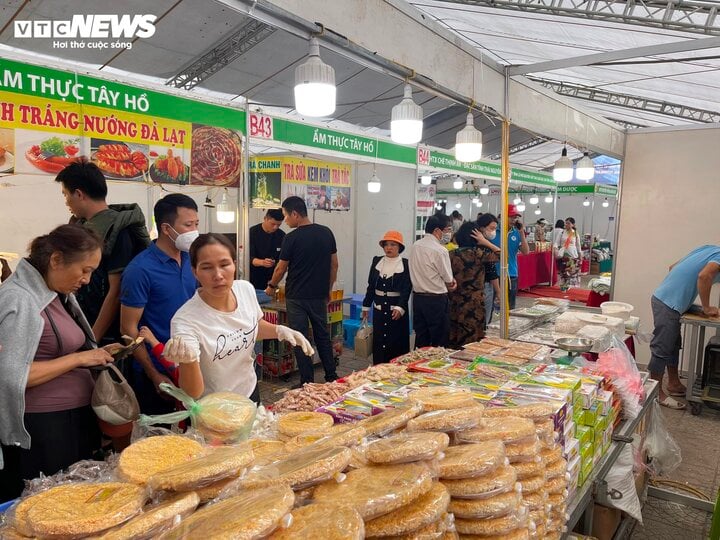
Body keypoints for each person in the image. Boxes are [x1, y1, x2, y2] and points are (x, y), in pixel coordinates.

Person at [0, 225, 119, 500]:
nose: (87, 280)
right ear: (55, 260)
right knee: (51, 504)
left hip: (71, 420)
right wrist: (79, 357)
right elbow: (13, 374)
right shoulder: (19, 298)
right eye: (85, 270)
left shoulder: (57, 294)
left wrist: (94, 354)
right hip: (45, 428)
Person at [164, 234, 313, 403]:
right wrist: (188, 361)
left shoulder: (244, 290)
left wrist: (279, 330)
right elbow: (193, 392)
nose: (218, 275)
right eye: (206, 267)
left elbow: (251, 327)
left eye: (224, 264)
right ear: (195, 272)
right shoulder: (186, 321)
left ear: (234, 265)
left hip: (249, 392)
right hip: (213, 408)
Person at [120, 194, 199, 415]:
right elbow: (128, 329)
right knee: (160, 435)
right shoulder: (140, 270)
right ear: (166, 228)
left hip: (189, 363)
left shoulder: (191, 260)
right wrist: (153, 373)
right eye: (188, 225)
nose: (194, 231)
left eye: (196, 224)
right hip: (156, 369)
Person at [55, 162, 150, 345]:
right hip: (82, 324)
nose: (66, 201)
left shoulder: (119, 231)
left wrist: (93, 339)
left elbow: (116, 291)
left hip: (106, 336)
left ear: (79, 194)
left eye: (66, 194)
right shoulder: (81, 226)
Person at [264, 196, 339, 385]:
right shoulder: (326, 232)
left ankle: (307, 381)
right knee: (322, 335)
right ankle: (331, 376)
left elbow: (280, 269)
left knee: (300, 338)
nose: (285, 221)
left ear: (295, 214)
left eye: (286, 216)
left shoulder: (291, 238)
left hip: (296, 296)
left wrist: (271, 287)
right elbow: (334, 265)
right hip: (318, 296)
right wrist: (328, 289)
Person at [650, 246, 720, 409]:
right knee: (661, 349)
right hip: (667, 303)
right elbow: (704, 276)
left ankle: (673, 383)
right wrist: (706, 307)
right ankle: (656, 394)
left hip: (668, 300)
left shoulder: (709, 249)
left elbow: (672, 267)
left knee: (673, 344)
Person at [361, 231, 412, 364]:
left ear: (399, 247)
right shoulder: (377, 261)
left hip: (396, 311)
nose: (389, 248)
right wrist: (366, 305)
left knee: (396, 342)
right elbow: (371, 286)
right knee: (379, 341)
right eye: (386, 244)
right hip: (378, 310)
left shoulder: (405, 264)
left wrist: (401, 306)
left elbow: (407, 288)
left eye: (393, 244)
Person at [409, 213, 457, 348]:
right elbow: (449, 280)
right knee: (439, 340)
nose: (449, 233)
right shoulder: (440, 250)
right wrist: (452, 284)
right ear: (437, 231)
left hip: (418, 299)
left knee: (421, 337)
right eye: (447, 230)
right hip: (436, 300)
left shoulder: (415, 245)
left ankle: (417, 366)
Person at [449, 222, 498, 348]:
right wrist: (485, 242)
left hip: (455, 301)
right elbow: (502, 255)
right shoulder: (479, 254)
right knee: (473, 339)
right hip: (474, 303)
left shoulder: (451, 254)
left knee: (456, 335)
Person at [249, 208, 285, 300]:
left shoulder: (282, 236)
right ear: (265, 219)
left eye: (278, 225)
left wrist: (274, 281)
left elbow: (283, 260)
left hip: (272, 280)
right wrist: (261, 262)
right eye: (273, 224)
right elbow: (246, 257)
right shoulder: (251, 233)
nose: (275, 227)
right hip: (253, 278)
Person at [472, 213, 501, 325]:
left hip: (471, 288)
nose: (493, 232)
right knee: (483, 321)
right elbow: (500, 256)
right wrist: (498, 291)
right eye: (491, 228)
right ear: (482, 228)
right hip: (483, 287)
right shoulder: (483, 248)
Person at [554, 217, 583, 291]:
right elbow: (556, 243)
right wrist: (556, 250)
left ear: (573, 225)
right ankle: (563, 287)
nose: (566, 225)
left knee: (571, 272)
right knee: (563, 272)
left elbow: (578, 245)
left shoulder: (575, 233)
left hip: (573, 255)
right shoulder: (562, 232)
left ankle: (572, 288)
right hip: (563, 255)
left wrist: (580, 255)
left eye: (568, 223)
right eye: (565, 223)